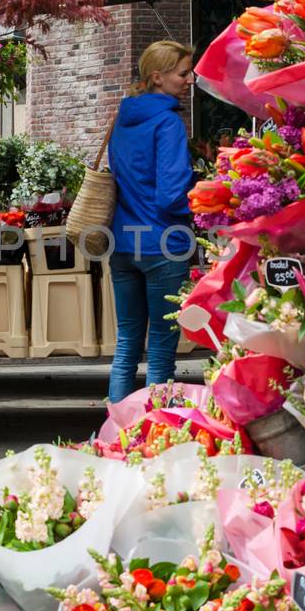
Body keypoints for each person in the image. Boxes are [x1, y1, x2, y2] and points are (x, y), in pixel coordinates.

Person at [105, 40, 196, 402]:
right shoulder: (168, 123)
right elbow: (171, 194)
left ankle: (113, 430)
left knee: (126, 345)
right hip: (163, 243)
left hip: (123, 243)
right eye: (183, 73)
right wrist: (201, 201)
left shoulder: (122, 118)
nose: (190, 80)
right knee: (160, 350)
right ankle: (150, 437)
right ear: (157, 77)